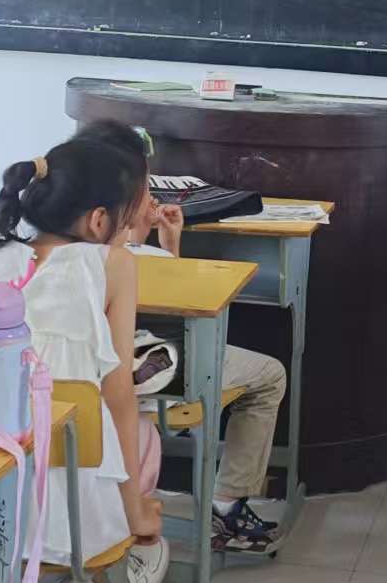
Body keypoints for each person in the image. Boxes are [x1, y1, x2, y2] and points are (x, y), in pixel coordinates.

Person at [0, 136, 169, 583]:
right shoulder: (113, 265)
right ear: (99, 222)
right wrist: (136, 514)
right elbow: (118, 396)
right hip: (63, 520)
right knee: (142, 438)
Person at [76, 119, 289, 552]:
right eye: (146, 190)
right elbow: (182, 311)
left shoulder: (58, 246)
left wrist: (156, 243)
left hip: (80, 385)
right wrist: (165, 250)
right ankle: (227, 500)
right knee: (270, 374)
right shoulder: (135, 259)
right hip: (156, 378)